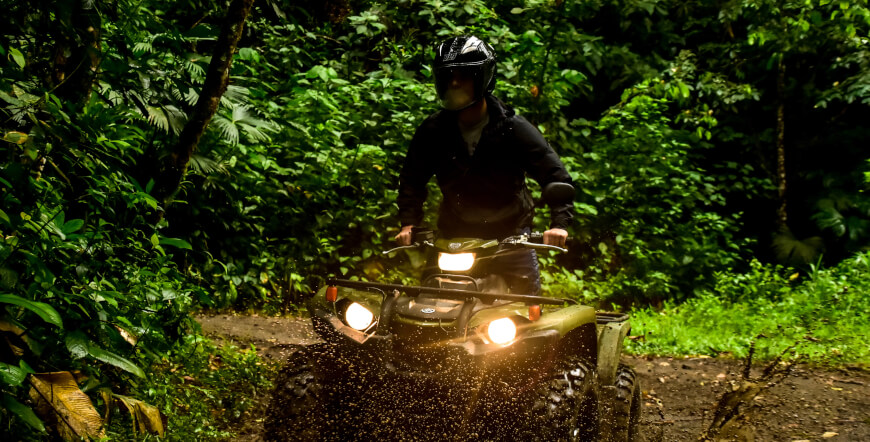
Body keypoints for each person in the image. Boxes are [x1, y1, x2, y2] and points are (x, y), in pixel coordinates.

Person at [395, 35, 574, 294]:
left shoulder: (512, 128)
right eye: (449, 75)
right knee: (430, 302)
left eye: (464, 76)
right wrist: (409, 223)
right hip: (453, 236)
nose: (455, 82)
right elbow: (412, 179)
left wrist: (558, 224)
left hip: (510, 237)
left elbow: (555, 176)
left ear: (483, 78)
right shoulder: (434, 130)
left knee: (527, 307)